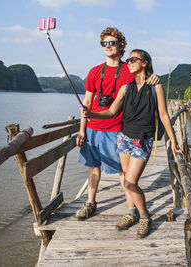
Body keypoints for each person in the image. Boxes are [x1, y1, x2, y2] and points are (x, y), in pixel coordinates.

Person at [81, 49, 182, 238]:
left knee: (130, 182)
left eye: (133, 59)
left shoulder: (155, 86)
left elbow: (163, 115)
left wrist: (174, 141)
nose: (128, 62)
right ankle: (131, 213)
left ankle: (145, 216)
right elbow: (111, 112)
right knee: (126, 179)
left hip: (142, 139)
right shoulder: (125, 88)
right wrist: (91, 114)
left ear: (144, 63)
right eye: (128, 60)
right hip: (124, 138)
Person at [75, 27, 159, 221]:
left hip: (116, 129)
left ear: (121, 46)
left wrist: (155, 78)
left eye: (112, 43)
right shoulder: (94, 71)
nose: (107, 46)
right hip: (92, 128)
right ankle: (90, 203)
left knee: (123, 172)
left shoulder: (129, 69)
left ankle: (131, 209)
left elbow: (145, 80)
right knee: (93, 167)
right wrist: (81, 131)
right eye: (104, 43)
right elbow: (86, 103)